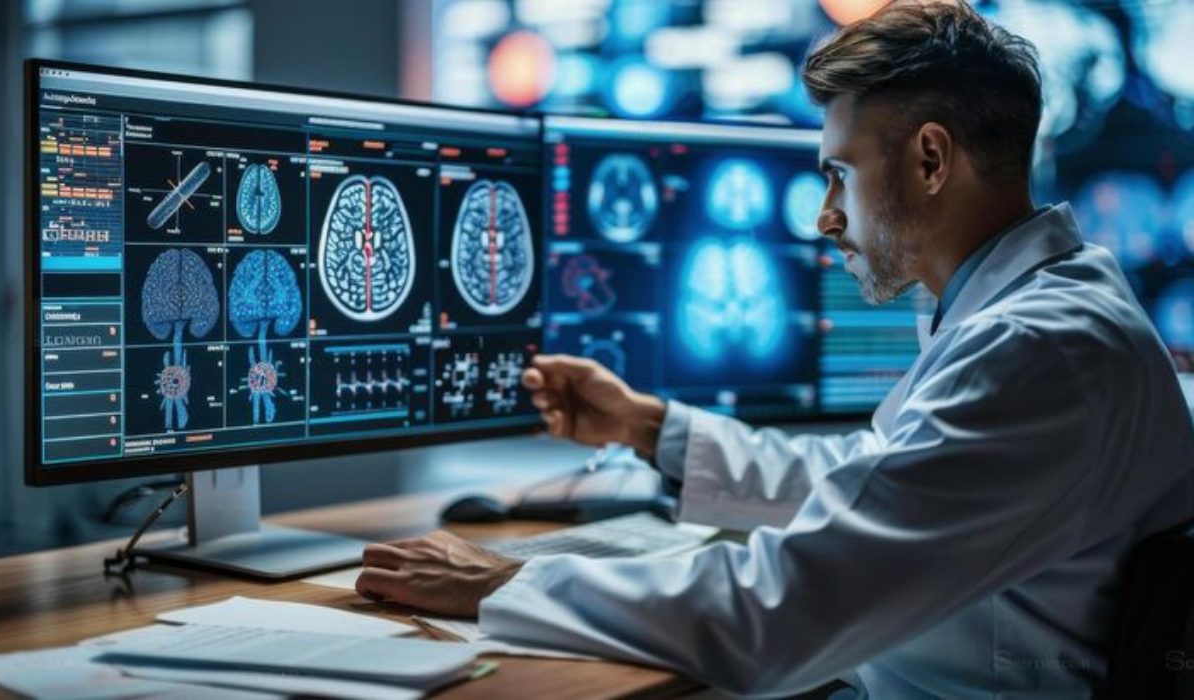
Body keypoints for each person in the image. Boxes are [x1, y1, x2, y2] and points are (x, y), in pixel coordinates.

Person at [355, 2, 1194, 696]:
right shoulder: (1028, 314)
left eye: (840, 174)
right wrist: (654, 428)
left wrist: (506, 584)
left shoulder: (1037, 352)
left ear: (932, 159)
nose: (826, 216)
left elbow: (777, 615)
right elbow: (873, 491)